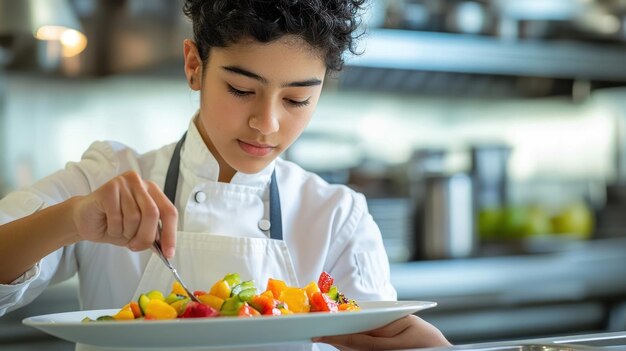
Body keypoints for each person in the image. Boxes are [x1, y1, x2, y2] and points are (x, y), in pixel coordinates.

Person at [0, 0, 450, 350]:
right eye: (241, 89)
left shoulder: (335, 218)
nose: (267, 123)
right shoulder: (109, 176)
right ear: (194, 65)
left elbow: (356, 319)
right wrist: (73, 218)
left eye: (296, 100)